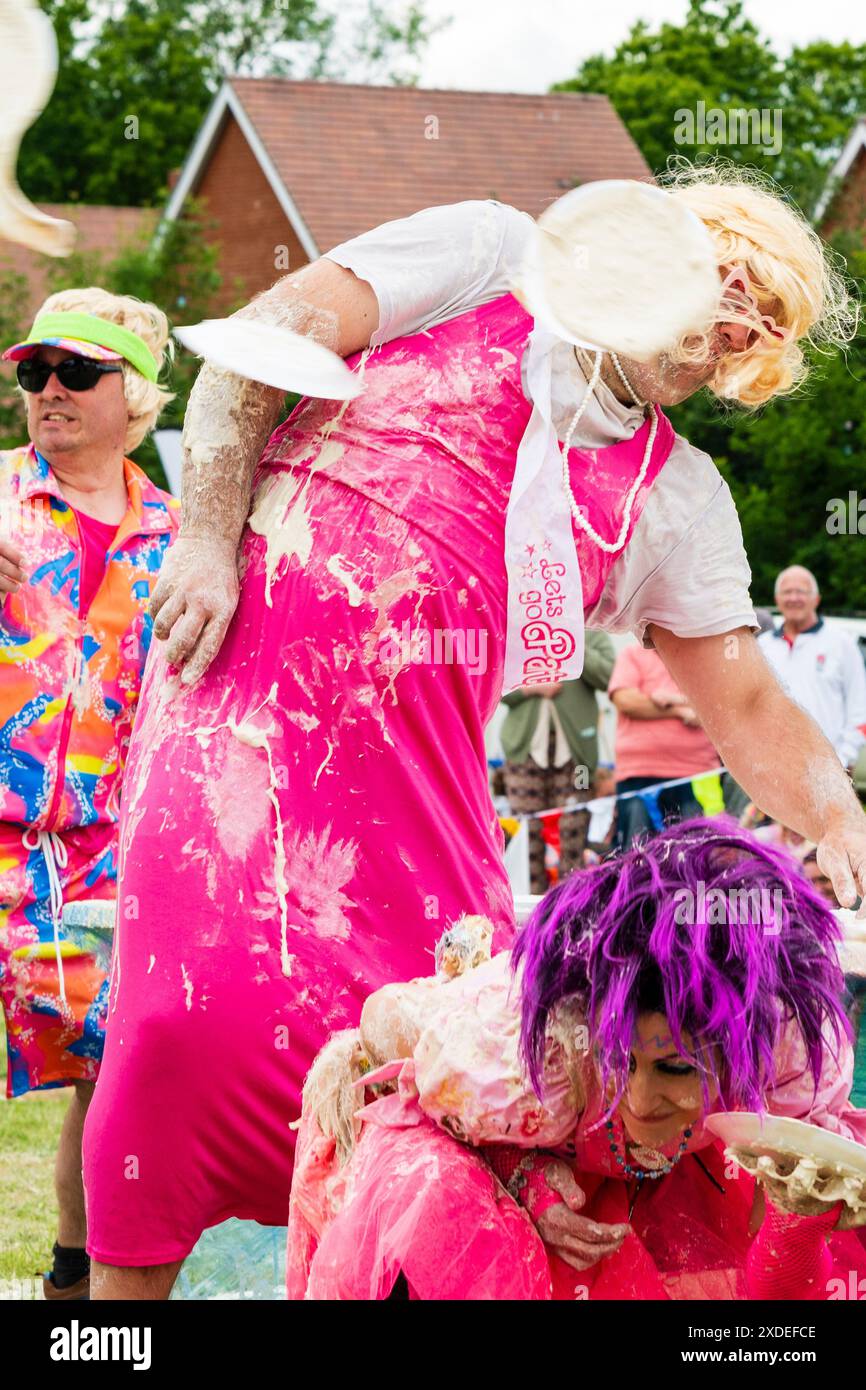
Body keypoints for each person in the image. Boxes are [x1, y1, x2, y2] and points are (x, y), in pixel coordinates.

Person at [81, 164, 866, 1301]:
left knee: (467, 1089)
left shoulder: (675, 496)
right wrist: (204, 536)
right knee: (171, 1042)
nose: (707, 335)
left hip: (420, 803)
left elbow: (742, 700)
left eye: (735, 337)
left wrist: (838, 813)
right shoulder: (495, 254)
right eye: (716, 287)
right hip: (237, 722)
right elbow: (259, 349)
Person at [288, 821, 866, 1300]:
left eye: (674, 1068)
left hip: (643, 1141)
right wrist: (523, 1173)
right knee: (433, 1192)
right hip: (506, 1114)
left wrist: (801, 1215)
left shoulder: (794, 1057)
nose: (637, 1102)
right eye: (621, 1059)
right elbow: (381, 1020)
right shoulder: (513, 1062)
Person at [0, 289, 179, 1298]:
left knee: (110, 1070)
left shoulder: (182, 533)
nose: (50, 392)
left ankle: (77, 1286)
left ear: (133, 395)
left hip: (104, 846)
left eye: (76, 373)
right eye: (34, 374)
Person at [500, 629, 614, 893]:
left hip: (582, 757)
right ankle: (528, 908)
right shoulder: (524, 631)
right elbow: (494, 684)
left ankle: (570, 902)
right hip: (521, 751)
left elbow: (610, 677)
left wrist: (572, 639)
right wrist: (531, 689)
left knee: (575, 828)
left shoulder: (594, 634)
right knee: (527, 833)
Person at [608, 641, 721, 848]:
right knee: (637, 858)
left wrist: (671, 698)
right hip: (638, 776)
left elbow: (717, 704)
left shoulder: (705, 657)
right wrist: (679, 710)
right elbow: (626, 701)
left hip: (696, 776)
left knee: (694, 857)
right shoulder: (632, 654)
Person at [759, 565, 866, 770]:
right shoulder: (763, 646)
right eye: (787, 592)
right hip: (774, 770)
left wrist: (842, 760)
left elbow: (859, 709)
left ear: (816, 599)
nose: (794, 598)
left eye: (801, 591)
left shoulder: (841, 643)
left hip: (830, 769)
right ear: (777, 600)